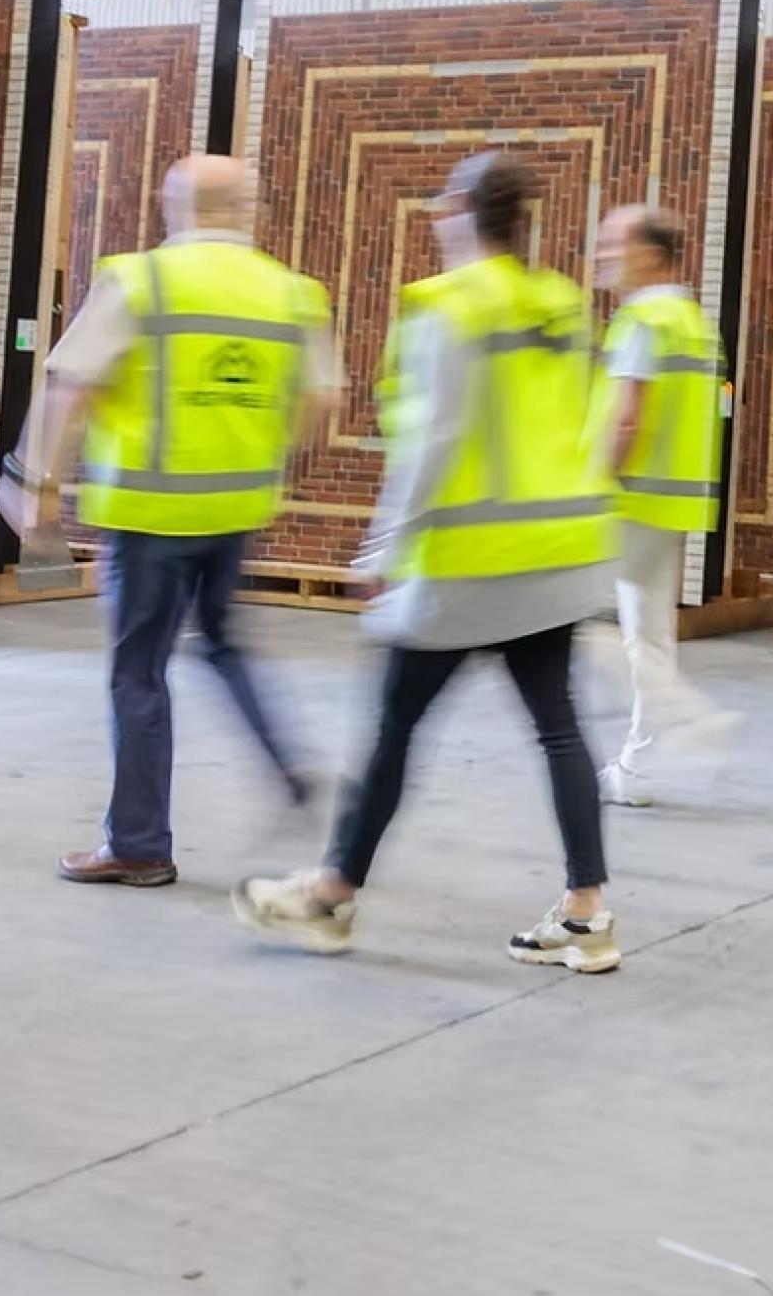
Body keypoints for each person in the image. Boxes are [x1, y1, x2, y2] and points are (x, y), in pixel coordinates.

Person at [232, 150, 623, 972]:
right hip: (557, 551)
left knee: (393, 728)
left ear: (458, 210)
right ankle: (587, 913)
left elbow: (435, 438)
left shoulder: (449, 305)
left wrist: (385, 544)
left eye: (443, 206)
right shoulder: (560, 302)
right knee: (559, 729)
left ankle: (330, 897)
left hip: (466, 562)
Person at [0, 154, 339, 888]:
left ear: (173, 204)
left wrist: (34, 480)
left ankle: (139, 844)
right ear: (246, 209)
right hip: (235, 508)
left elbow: (69, 387)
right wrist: (264, 454)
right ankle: (285, 764)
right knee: (224, 643)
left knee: (139, 675)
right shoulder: (293, 292)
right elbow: (320, 399)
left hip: (149, 515)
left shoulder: (140, 280)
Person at [586, 204, 731, 809]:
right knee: (646, 634)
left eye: (612, 244)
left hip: (631, 497)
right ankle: (641, 764)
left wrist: (591, 483)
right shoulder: (694, 323)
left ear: (649, 254)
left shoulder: (644, 320)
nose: (600, 255)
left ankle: (685, 720)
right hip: (672, 500)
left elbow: (628, 417)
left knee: (572, 622)